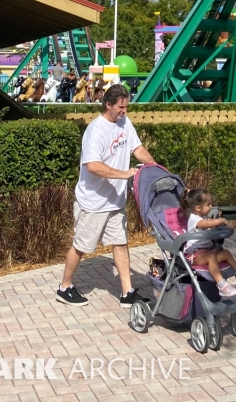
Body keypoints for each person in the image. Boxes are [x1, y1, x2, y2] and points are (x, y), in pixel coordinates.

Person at [57, 83, 155, 308]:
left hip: (115, 200)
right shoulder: (96, 130)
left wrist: (156, 166)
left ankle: (127, 292)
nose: (124, 111)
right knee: (81, 246)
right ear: (108, 104)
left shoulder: (124, 123)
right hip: (93, 201)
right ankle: (64, 287)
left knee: (120, 243)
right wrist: (125, 174)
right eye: (120, 107)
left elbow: (137, 149)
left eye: (126, 106)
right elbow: (92, 166)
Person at [180, 186, 236, 299]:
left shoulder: (203, 216)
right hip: (195, 255)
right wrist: (221, 220)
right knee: (211, 258)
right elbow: (207, 224)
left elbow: (209, 224)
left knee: (226, 253)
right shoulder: (194, 219)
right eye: (208, 204)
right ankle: (222, 285)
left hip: (207, 251)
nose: (211, 207)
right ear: (197, 207)